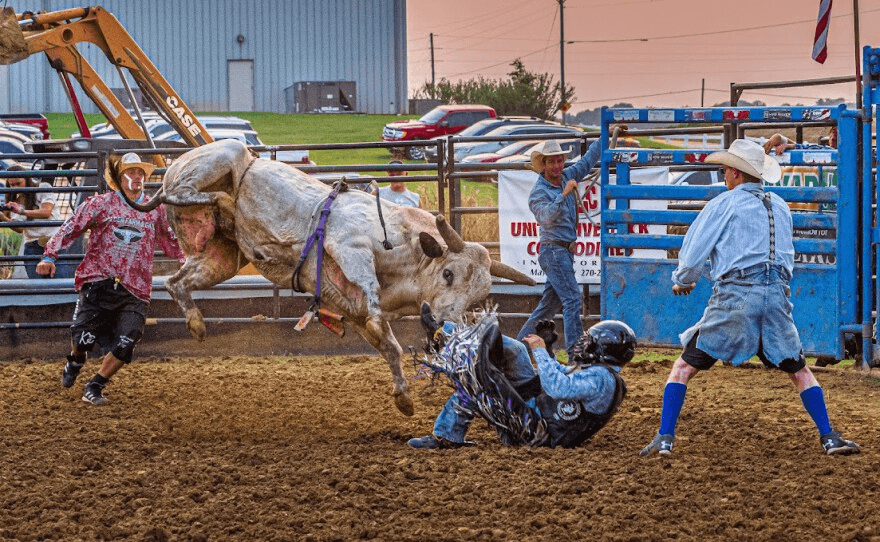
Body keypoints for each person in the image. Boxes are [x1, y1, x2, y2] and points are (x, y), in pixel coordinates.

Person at [639, 139, 860, 457]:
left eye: (725, 169)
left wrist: (682, 281)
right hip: (776, 296)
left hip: (736, 297)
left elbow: (693, 253)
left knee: (683, 368)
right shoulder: (780, 206)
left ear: (736, 173)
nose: (724, 174)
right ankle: (829, 437)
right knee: (799, 370)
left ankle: (664, 438)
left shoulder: (723, 204)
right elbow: (786, 258)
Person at [36, 152, 186, 406]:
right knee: (83, 340)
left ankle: (95, 385)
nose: (137, 177)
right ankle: (76, 359)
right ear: (118, 178)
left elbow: (171, 240)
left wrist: (185, 259)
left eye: (140, 173)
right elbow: (71, 226)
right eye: (131, 172)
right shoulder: (100, 204)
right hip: (98, 281)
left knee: (127, 341)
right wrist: (50, 256)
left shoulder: (155, 209)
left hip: (136, 288)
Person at [408, 304, 634, 449]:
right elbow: (562, 377)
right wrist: (548, 351)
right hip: (536, 414)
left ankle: (446, 437)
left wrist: (540, 350)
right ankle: (443, 332)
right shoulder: (601, 376)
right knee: (515, 349)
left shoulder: (601, 379)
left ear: (604, 349)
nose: (584, 344)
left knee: (479, 381)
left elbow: (557, 387)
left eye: (591, 341)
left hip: (535, 433)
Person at [516, 136, 602, 355]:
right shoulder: (539, 192)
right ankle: (576, 353)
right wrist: (563, 195)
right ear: (543, 165)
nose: (556, 166)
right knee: (572, 299)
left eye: (559, 161)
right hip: (554, 251)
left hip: (561, 251)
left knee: (548, 307)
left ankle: (517, 348)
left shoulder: (566, 176)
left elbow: (587, 161)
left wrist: (607, 135)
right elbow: (545, 217)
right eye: (552, 162)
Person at [0, 163, 75, 279]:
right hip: (32, 245)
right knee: (38, 285)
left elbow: (46, 212)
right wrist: (4, 218)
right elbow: (19, 229)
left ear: (27, 179)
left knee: (60, 282)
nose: (16, 188)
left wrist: (21, 211)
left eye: (18, 183)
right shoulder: (17, 201)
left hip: (54, 242)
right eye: (12, 185)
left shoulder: (42, 187)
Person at [763, 125, 837, 154]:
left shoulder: (834, 151)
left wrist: (789, 145)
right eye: (833, 132)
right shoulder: (821, 149)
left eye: (839, 133)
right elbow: (807, 148)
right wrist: (780, 139)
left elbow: (808, 148)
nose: (833, 137)